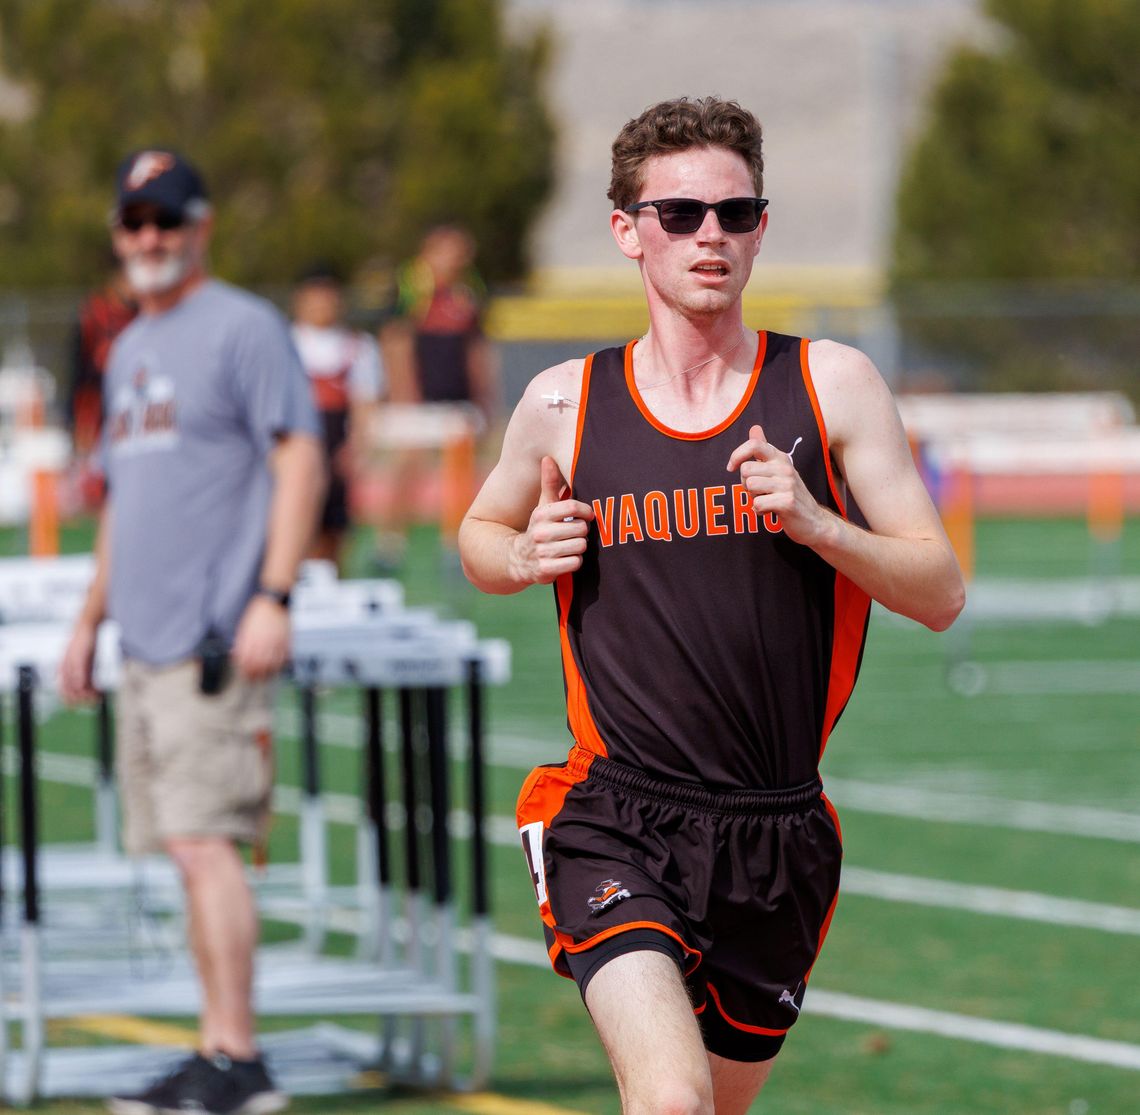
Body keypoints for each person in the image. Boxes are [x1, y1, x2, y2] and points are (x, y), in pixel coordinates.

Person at [458, 97, 965, 1114]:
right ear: (628, 230)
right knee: (673, 1099)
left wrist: (820, 525)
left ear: (762, 227)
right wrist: (518, 551)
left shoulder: (832, 386)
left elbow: (940, 589)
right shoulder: (566, 399)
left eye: (735, 214)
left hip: (778, 831)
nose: (710, 237)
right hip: (616, 812)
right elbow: (478, 533)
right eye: (681, 214)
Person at [59, 148, 324, 1115]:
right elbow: (124, 499)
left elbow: (300, 456)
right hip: (145, 640)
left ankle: (239, 1059)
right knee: (184, 843)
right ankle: (216, 1048)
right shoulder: (128, 346)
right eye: (134, 220)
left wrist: (274, 593)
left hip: (216, 638)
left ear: (200, 225)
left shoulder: (243, 327)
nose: (149, 238)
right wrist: (91, 618)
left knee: (208, 842)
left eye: (166, 219)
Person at [377, 225, 497, 564]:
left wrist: (484, 395)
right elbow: (395, 339)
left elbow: (477, 346)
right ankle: (391, 542)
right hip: (418, 398)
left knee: (461, 473)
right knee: (408, 465)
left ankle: (453, 544)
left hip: (456, 398)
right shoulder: (412, 285)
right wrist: (404, 392)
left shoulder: (469, 289)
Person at [290, 262, 385, 570]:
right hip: (298, 445)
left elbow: (365, 401)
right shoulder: (284, 343)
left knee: (336, 531)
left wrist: (358, 447)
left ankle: (330, 584)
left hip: (336, 448)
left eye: (328, 296)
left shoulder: (358, 347)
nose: (322, 304)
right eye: (315, 296)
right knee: (296, 526)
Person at [66, 257, 137, 508]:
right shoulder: (95, 313)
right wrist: (77, 426)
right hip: (99, 414)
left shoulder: (145, 314)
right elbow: (79, 374)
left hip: (134, 409)